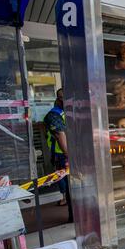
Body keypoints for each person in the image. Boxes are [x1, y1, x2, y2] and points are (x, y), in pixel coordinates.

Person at [43, 88, 73, 222]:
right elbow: (61, 137)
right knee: (69, 188)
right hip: (63, 157)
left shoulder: (68, 113)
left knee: (77, 188)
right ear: (60, 99)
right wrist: (70, 157)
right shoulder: (53, 115)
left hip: (73, 155)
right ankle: (74, 217)